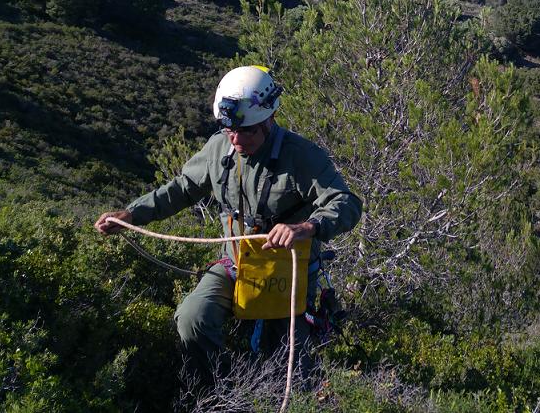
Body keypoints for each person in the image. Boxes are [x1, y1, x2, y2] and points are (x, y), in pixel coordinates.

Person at [94, 65, 362, 390]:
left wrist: (307, 227)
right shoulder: (219, 147)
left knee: (287, 372)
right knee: (193, 319)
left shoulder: (302, 156)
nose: (236, 139)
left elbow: (346, 204)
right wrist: (132, 215)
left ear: (268, 120)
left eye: (246, 131)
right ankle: (217, 395)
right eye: (228, 129)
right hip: (234, 265)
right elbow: (182, 189)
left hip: (286, 274)